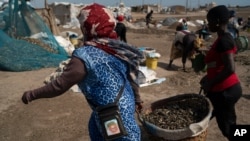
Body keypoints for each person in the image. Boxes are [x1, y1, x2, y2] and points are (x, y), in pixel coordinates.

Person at [21, 3, 144, 141]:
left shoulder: (84, 56)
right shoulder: (118, 48)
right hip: (124, 104)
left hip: (113, 115)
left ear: (86, 27)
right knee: (96, 125)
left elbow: (59, 85)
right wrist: (137, 99)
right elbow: (132, 77)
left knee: (116, 136)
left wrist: (31, 94)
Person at [200, 5, 242, 141]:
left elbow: (230, 68)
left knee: (229, 129)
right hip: (222, 90)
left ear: (217, 21)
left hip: (226, 91)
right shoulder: (221, 38)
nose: (208, 24)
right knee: (228, 123)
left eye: (209, 21)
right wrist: (208, 77)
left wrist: (211, 82)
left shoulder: (224, 40)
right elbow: (219, 64)